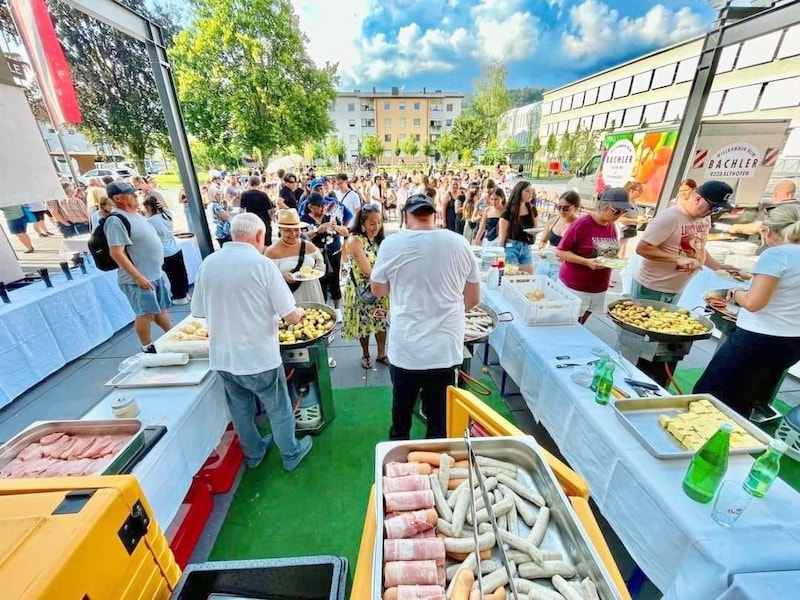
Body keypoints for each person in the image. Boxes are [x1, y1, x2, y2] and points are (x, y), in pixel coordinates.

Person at [191, 213, 313, 471]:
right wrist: (300, 312)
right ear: (259, 236)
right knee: (279, 408)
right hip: (259, 358)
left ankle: (254, 453)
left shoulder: (209, 263)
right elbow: (291, 317)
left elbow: (199, 311)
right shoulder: (262, 265)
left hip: (224, 358)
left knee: (241, 411)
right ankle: (290, 454)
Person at [370, 194, 481, 440]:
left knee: (402, 415)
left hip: (406, 349)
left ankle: (400, 464)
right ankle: (436, 470)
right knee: (439, 419)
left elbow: (378, 290)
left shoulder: (392, 244)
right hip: (445, 350)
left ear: (406, 216)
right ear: (435, 215)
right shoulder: (459, 242)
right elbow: (472, 300)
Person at [694, 204, 800, 422]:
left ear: (768, 231)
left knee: (710, 395)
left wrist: (737, 293)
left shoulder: (777, 254)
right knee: (748, 396)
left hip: (758, 340)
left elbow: (753, 303)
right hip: (793, 342)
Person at [632, 180, 738, 304]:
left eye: (719, 209)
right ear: (697, 199)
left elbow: (698, 248)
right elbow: (643, 248)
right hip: (652, 288)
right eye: (714, 207)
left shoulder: (705, 218)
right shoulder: (669, 217)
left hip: (676, 289)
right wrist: (677, 259)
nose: (714, 212)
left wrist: (717, 266)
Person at [104, 181, 172, 353]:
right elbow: (116, 253)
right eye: (131, 194)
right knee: (145, 314)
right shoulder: (115, 220)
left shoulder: (137, 215)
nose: (136, 197)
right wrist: (138, 277)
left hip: (155, 274)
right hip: (139, 279)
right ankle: (147, 347)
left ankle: (172, 336)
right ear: (118, 198)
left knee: (160, 310)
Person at [557, 187, 632, 323]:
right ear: (603, 206)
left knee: (581, 322)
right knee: (569, 323)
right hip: (576, 286)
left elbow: (609, 253)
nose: (619, 215)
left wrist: (614, 260)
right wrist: (586, 262)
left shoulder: (611, 225)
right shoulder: (581, 224)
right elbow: (561, 251)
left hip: (598, 286)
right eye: (616, 211)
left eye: (623, 211)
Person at [344, 205, 389, 370]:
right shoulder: (355, 240)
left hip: (380, 289)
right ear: (362, 223)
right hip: (362, 291)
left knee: (380, 321)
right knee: (363, 325)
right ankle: (365, 354)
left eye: (379, 222)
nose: (376, 227)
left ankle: (382, 353)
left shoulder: (380, 240)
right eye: (372, 223)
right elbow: (368, 271)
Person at [301, 192, 349, 322]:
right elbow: (302, 237)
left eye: (323, 206)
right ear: (311, 207)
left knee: (335, 282)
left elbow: (346, 232)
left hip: (333, 254)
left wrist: (336, 227)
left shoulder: (330, 217)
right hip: (316, 258)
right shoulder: (304, 219)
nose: (322, 209)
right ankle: (322, 309)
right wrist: (317, 231)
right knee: (319, 283)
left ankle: (337, 309)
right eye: (319, 207)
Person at [142, 196, 189, 305]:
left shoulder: (151, 221)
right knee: (181, 272)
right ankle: (185, 293)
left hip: (164, 252)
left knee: (172, 276)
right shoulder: (167, 215)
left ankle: (178, 296)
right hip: (175, 248)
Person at [728, 179, 798, 242]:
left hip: (777, 246)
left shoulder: (773, 209)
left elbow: (756, 228)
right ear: (793, 194)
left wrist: (736, 227)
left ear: (775, 194)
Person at [536, 190, 581, 280]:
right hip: (546, 262)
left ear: (576, 208)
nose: (561, 211)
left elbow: (581, 252)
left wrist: (567, 258)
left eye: (566, 208)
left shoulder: (579, 226)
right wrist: (541, 249)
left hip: (564, 267)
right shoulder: (553, 221)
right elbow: (543, 241)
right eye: (558, 207)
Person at [497, 180, 539, 273]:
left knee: (528, 276)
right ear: (519, 192)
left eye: (532, 191)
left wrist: (534, 233)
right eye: (527, 191)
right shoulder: (508, 212)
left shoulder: (532, 209)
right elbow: (502, 238)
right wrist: (500, 258)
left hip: (526, 246)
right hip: (511, 247)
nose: (530, 194)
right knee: (512, 275)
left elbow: (536, 227)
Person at [240, 175, 274, 242]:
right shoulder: (263, 195)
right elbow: (270, 210)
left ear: (249, 183)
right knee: (265, 242)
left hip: (251, 222)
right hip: (263, 221)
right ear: (259, 183)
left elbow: (241, 210)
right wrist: (271, 219)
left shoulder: (244, 194)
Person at [617, 180, 644, 258]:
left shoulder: (633, 202)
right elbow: (619, 218)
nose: (641, 193)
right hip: (620, 231)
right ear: (631, 191)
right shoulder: (625, 202)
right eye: (639, 190)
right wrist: (635, 220)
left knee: (622, 248)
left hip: (625, 233)